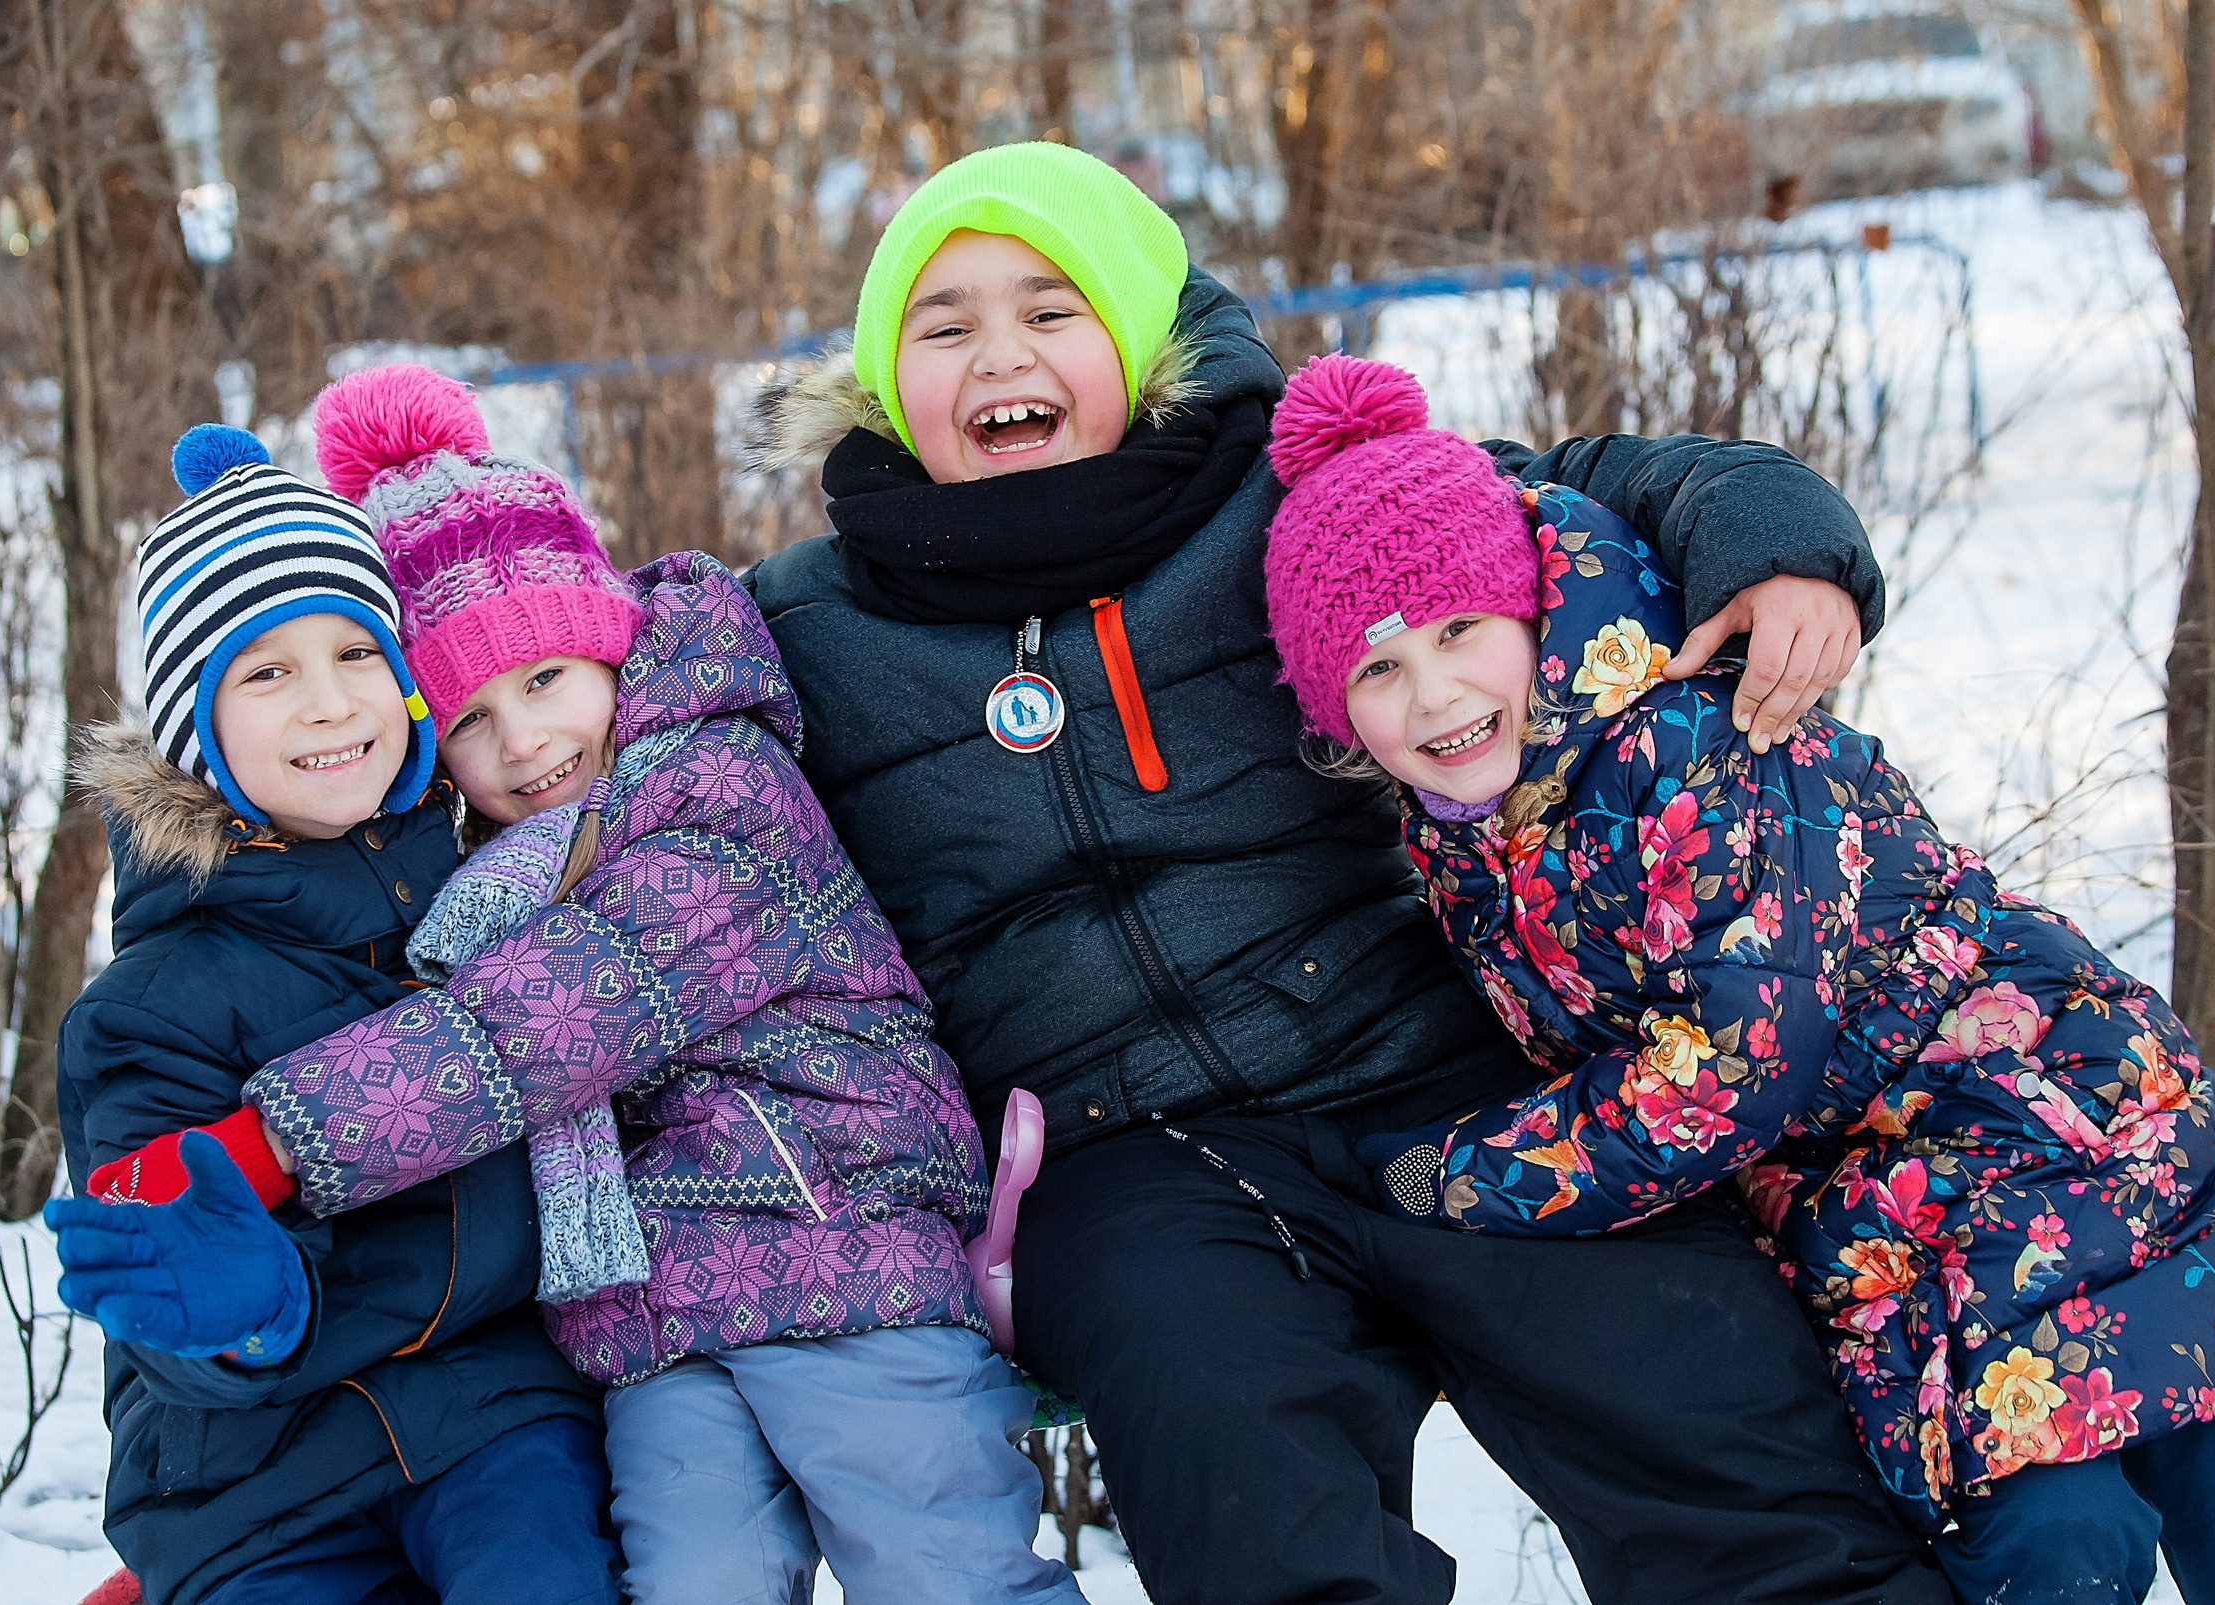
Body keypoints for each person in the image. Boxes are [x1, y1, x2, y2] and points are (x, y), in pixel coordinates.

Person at [744, 139, 1952, 1603]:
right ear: (888, 382)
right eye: (946, 327)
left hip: (1442, 1068)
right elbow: (602, 730)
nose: (1003, 350)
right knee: (1246, 1483)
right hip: (1127, 1160)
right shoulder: (804, 626)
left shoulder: (1296, 504)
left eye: (1054, 309)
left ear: (1137, 337)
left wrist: (1773, 538)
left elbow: (1582, 490)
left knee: (1706, 1409)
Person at [1258, 351, 2215, 1604]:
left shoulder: (1687, 751)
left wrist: (1459, 1175)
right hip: (1892, 1227)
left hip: (2040, 1125)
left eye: (1459, 631)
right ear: (1329, 706)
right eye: (1376, 671)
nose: (1435, 693)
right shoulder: (1464, 833)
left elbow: (1728, 1072)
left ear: (1529, 609)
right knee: (2050, 1546)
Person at [76, 364, 1083, 1605]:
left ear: (614, 647)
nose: (525, 742)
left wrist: (271, 1141)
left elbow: (548, 1021)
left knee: (943, 1569)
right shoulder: (464, 879)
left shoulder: (713, 791)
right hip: (649, 1329)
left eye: (546, 680)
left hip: (840, 1255)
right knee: (689, 1581)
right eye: (469, 716)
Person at [45, 426, 619, 1605]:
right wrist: (244, 1310)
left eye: (358, 650)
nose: (327, 703)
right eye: (264, 673)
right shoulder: (150, 1010)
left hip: (493, 1420)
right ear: (196, 735)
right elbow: (157, 1277)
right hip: (254, 1479)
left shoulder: (495, 902)